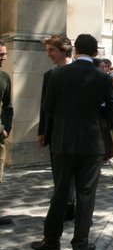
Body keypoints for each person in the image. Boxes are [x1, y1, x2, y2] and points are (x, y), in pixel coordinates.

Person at [31, 34, 113, 250]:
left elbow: (48, 107)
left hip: (63, 141)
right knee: (86, 194)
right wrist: (94, 115)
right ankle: (80, 244)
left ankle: (51, 240)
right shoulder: (103, 77)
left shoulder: (57, 74)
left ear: (76, 49)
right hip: (91, 143)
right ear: (95, 52)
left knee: (60, 193)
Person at [37, 35, 75, 221]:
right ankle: (66, 206)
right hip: (56, 133)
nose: (49, 54)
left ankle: (71, 204)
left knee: (75, 174)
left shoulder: (82, 72)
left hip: (78, 133)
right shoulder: (49, 75)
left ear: (63, 50)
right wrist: (42, 131)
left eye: (52, 50)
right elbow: (45, 107)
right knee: (59, 174)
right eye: (48, 50)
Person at [0, 42, 14, 226]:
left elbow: (8, 106)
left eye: (4, 54)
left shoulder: (4, 77)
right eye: (1, 54)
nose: (4, 57)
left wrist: (7, 127)